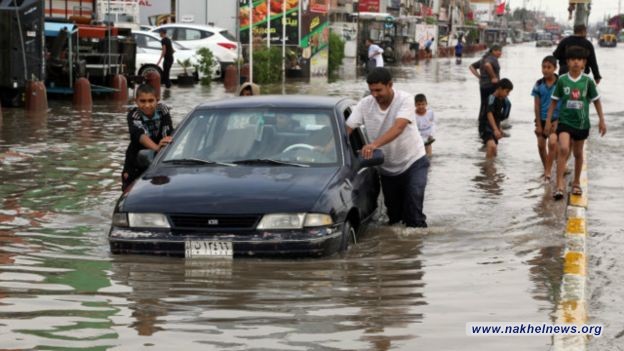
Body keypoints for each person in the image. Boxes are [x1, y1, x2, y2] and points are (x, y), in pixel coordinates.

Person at [346, 67, 429, 228]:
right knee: (394, 219)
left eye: (378, 90)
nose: (375, 95)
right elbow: (346, 129)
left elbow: (398, 128)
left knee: (413, 210)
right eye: (371, 91)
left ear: (390, 85)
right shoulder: (365, 104)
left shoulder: (405, 100)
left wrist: (374, 145)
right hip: (387, 170)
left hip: (413, 162)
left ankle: (417, 247)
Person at [545, 46, 606, 200]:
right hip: (565, 122)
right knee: (564, 149)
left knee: (578, 154)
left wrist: (602, 120)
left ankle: (577, 183)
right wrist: (548, 120)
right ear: (568, 62)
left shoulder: (588, 81)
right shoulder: (562, 80)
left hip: (582, 123)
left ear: (584, 63)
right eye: (573, 60)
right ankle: (559, 185)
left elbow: (596, 101)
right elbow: (553, 102)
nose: (576, 63)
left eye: (579, 60)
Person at [121, 84, 173, 191]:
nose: (147, 105)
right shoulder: (134, 115)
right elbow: (139, 135)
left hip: (159, 155)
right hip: (135, 158)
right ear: (136, 101)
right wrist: (156, 148)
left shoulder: (163, 110)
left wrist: (163, 148)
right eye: (142, 101)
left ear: (157, 100)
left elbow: (167, 131)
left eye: (150, 100)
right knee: (130, 190)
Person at [531, 55, 562, 181]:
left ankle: (550, 170)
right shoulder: (538, 84)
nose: (546, 70)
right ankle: (546, 169)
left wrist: (558, 120)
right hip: (542, 120)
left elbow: (565, 103)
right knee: (540, 145)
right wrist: (538, 124)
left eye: (549, 67)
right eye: (543, 67)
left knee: (553, 143)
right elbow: (536, 105)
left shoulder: (561, 83)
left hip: (555, 120)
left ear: (555, 68)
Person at [479, 78, 513, 159]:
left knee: (493, 150)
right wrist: (495, 129)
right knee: (492, 146)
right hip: (485, 127)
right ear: (500, 89)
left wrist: (499, 128)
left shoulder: (503, 100)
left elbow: (497, 117)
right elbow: (489, 114)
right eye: (507, 91)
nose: (508, 94)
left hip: (494, 127)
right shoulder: (491, 98)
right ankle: (488, 167)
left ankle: (489, 167)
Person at [470, 44, 502, 126]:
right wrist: (494, 77)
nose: (500, 53)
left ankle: (481, 122)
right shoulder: (492, 58)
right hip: (492, 86)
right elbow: (488, 65)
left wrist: (479, 77)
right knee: (492, 105)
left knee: (484, 104)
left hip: (483, 86)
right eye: (499, 51)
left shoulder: (483, 59)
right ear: (493, 51)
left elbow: (471, 66)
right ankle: (492, 124)